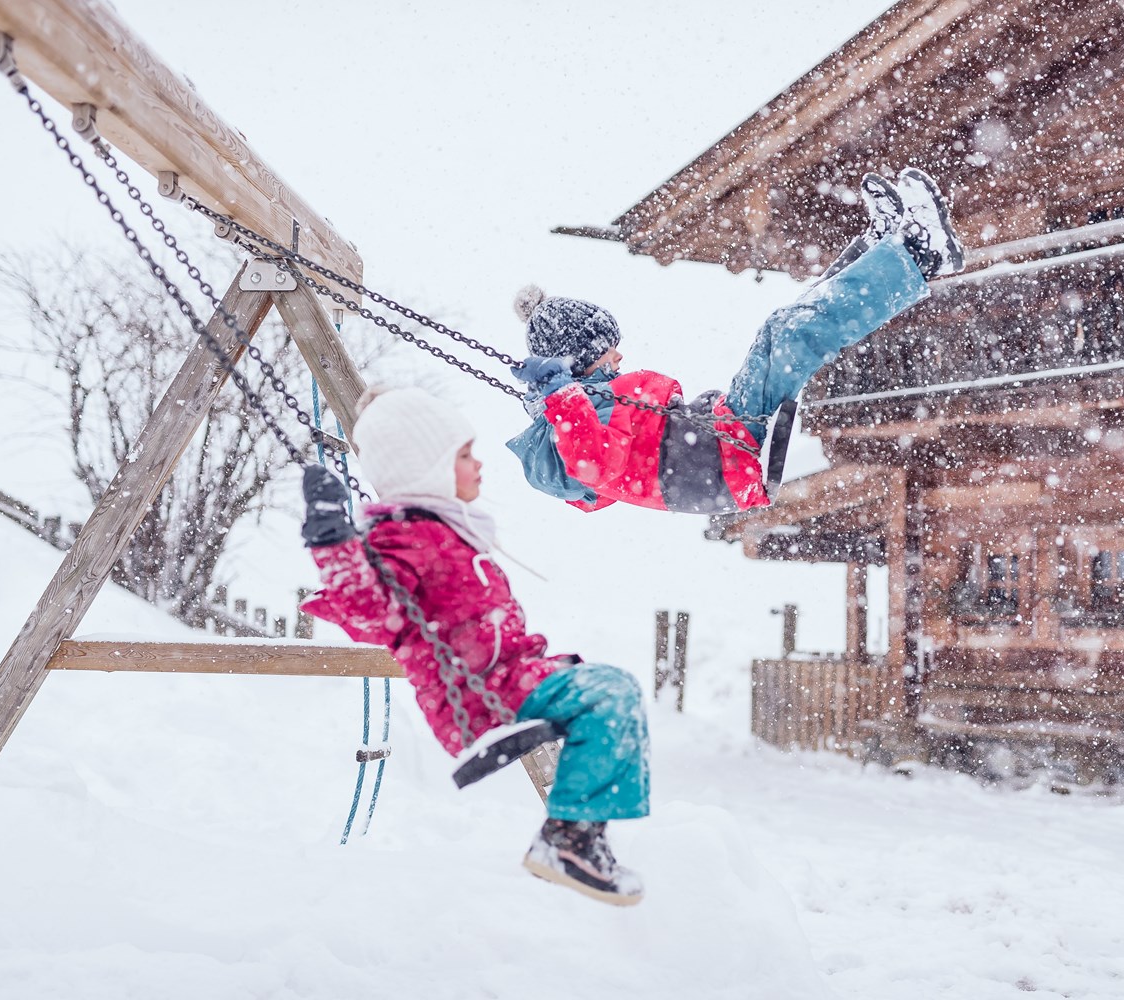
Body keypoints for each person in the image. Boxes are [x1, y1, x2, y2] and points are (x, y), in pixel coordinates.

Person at [298, 386, 649, 906]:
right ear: (428, 468)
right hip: (477, 698)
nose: (479, 463)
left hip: (505, 678)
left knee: (613, 691)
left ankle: (577, 835)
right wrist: (332, 544)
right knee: (607, 695)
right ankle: (569, 841)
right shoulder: (403, 540)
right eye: (464, 454)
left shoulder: (445, 530)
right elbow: (370, 611)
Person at [506, 168, 965, 514]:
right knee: (789, 333)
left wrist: (567, 396)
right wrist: (561, 397)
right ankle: (920, 256)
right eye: (606, 348)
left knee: (779, 328)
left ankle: (880, 249)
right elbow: (591, 469)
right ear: (576, 359)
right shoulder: (557, 437)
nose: (619, 354)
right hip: (729, 456)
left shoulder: (583, 406)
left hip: (725, 430)